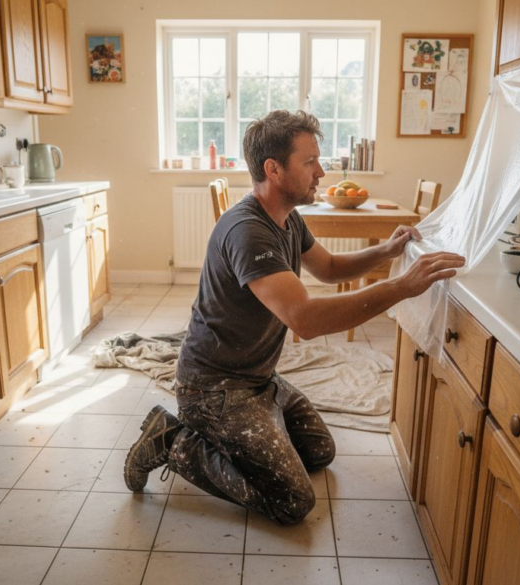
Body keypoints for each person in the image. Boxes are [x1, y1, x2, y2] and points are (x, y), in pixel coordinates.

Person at [124, 110, 465, 525]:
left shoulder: (288, 218)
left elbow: (331, 268)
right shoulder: (248, 231)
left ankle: (250, 432)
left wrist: (385, 252)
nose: (321, 171)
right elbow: (304, 318)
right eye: (309, 162)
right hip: (213, 388)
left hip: (257, 380)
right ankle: (171, 440)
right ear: (273, 168)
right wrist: (401, 287)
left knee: (320, 452)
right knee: (292, 501)